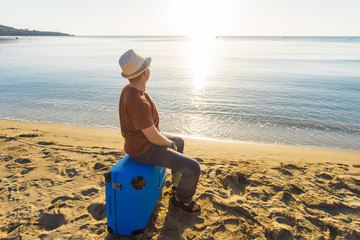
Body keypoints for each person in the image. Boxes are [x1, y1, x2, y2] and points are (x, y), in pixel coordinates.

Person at [118, 49, 201, 213]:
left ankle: (176, 187)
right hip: (144, 149)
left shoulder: (129, 90)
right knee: (193, 168)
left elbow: (149, 132)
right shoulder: (138, 101)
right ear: (145, 72)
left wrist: (172, 143)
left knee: (180, 142)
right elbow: (153, 136)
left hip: (141, 141)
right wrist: (169, 144)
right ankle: (182, 201)